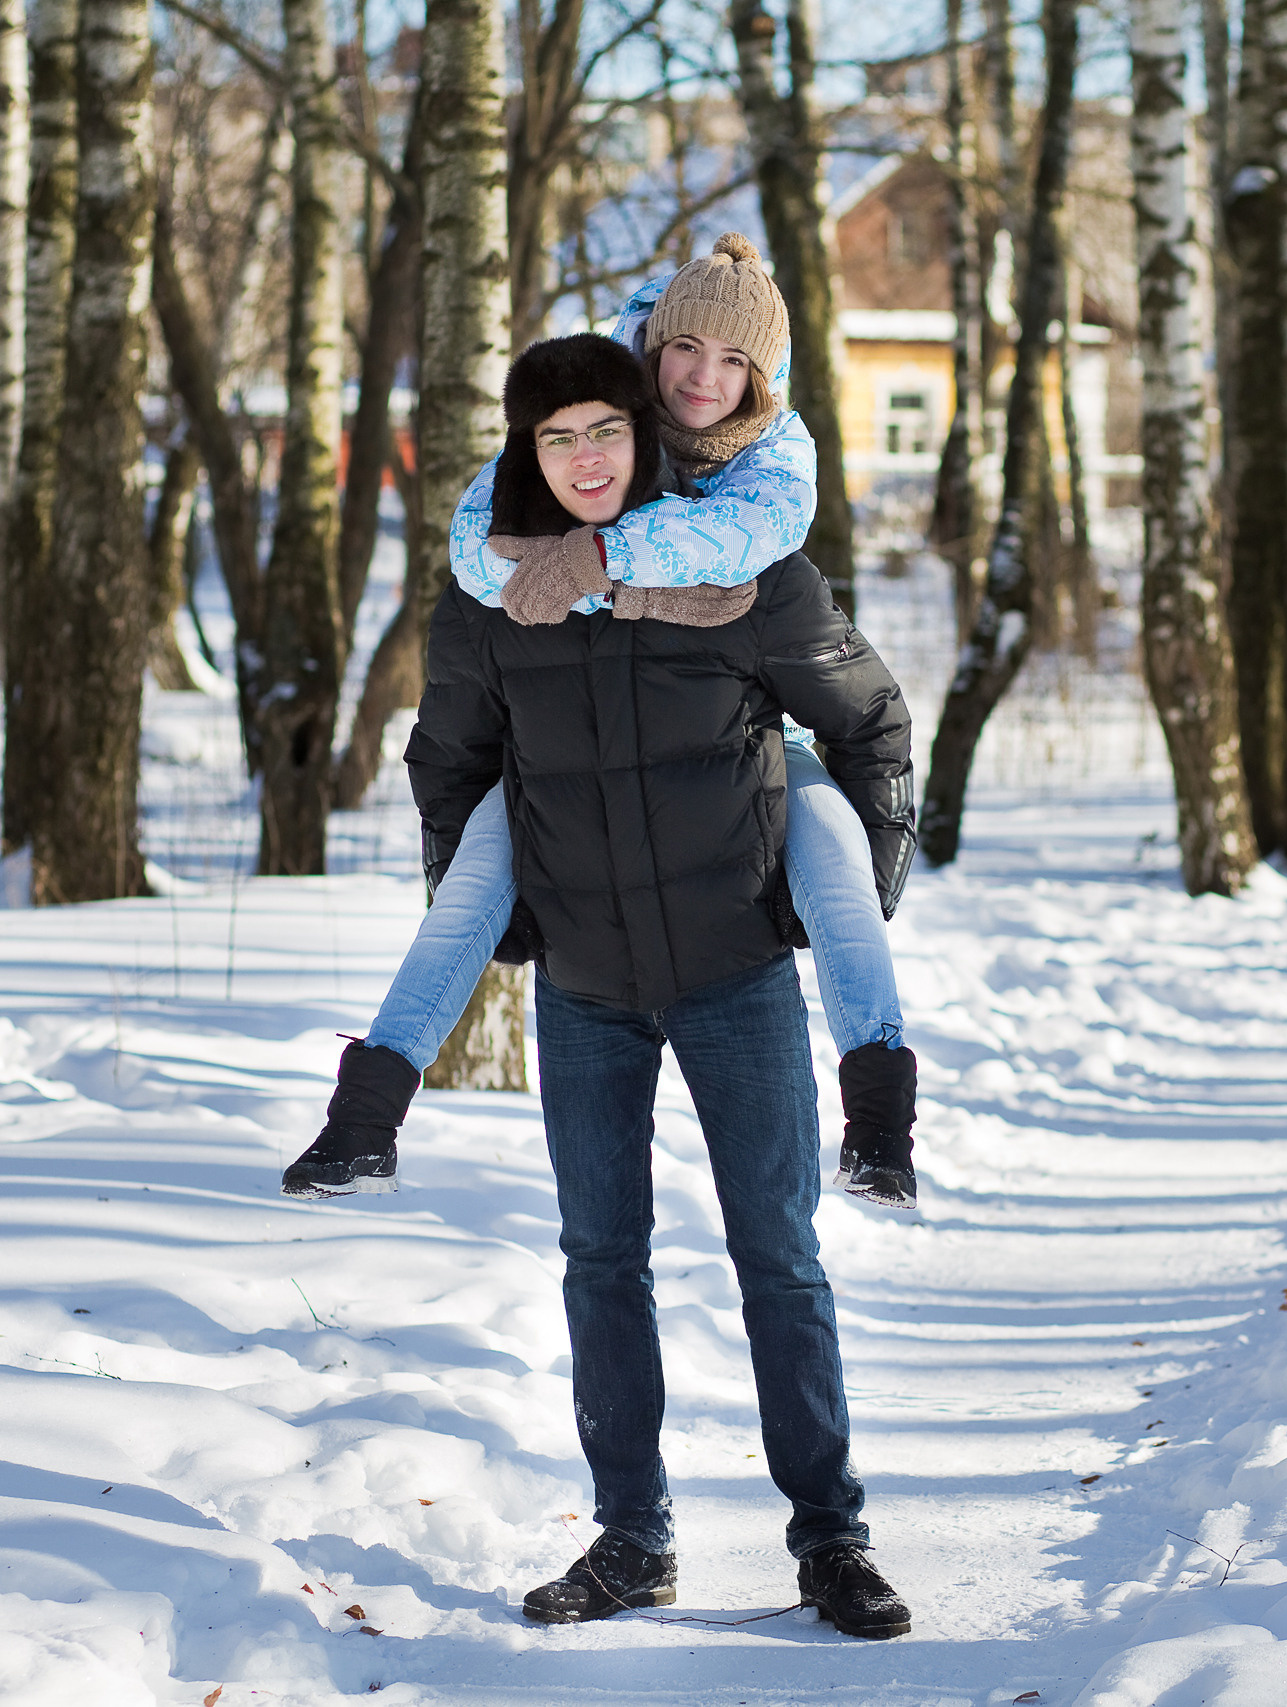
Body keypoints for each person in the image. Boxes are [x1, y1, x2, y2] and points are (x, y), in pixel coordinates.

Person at [402, 331, 916, 1636]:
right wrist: (494, 914)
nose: (586, 456)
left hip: (734, 972)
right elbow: (446, 755)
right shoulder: (492, 595)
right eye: (556, 437)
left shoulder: (749, 577)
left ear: (643, 435)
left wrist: (846, 884)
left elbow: (868, 719)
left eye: (607, 430)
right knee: (599, 1259)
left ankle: (832, 1539)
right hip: (584, 988)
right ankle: (632, 1539)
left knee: (778, 1255)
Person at [282, 234, 920, 1211]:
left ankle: (879, 1125)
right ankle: (362, 1121)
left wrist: (594, 561)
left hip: (744, 746)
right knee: (472, 883)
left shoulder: (769, 466)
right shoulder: (590, 427)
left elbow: (764, 552)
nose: (706, 378)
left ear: (761, 378)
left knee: (834, 860)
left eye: (735, 361)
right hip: (573, 751)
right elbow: (481, 548)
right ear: (652, 346)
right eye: (686, 350)